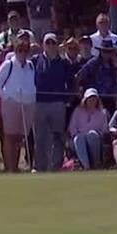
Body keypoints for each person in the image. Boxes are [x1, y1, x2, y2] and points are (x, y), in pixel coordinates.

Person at [0, 31, 37, 173]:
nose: (23, 53)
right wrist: (6, 97)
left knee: (19, 137)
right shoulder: (9, 64)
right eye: (20, 50)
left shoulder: (30, 65)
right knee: (10, 136)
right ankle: (10, 166)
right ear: (15, 50)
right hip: (12, 102)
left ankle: (16, 166)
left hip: (27, 103)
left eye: (26, 50)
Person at [31, 33, 73, 172]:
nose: (50, 46)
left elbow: (71, 82)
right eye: (47, 43)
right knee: (40, 137)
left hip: (58, 104)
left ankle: (55, 166)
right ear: (43, 44)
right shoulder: (35, 60)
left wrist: (67, 100)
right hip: (39, 103)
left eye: (53, 43)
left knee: (58, 136)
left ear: (57, 45)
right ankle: (40, 166)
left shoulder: (64, 63)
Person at [69, 89, 109, 170]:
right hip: (79, 138)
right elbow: (72, 127)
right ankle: (86, 166)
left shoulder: (102, 112)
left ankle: (96, 162)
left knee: (92, 134)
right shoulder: (78, 111)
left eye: (94, 99)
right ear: (85, 100)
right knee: (79, 138)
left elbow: (105, 129)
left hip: (96, 138)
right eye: (90, 99)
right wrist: (76, 135)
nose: (92, 101)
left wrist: (98, 134)